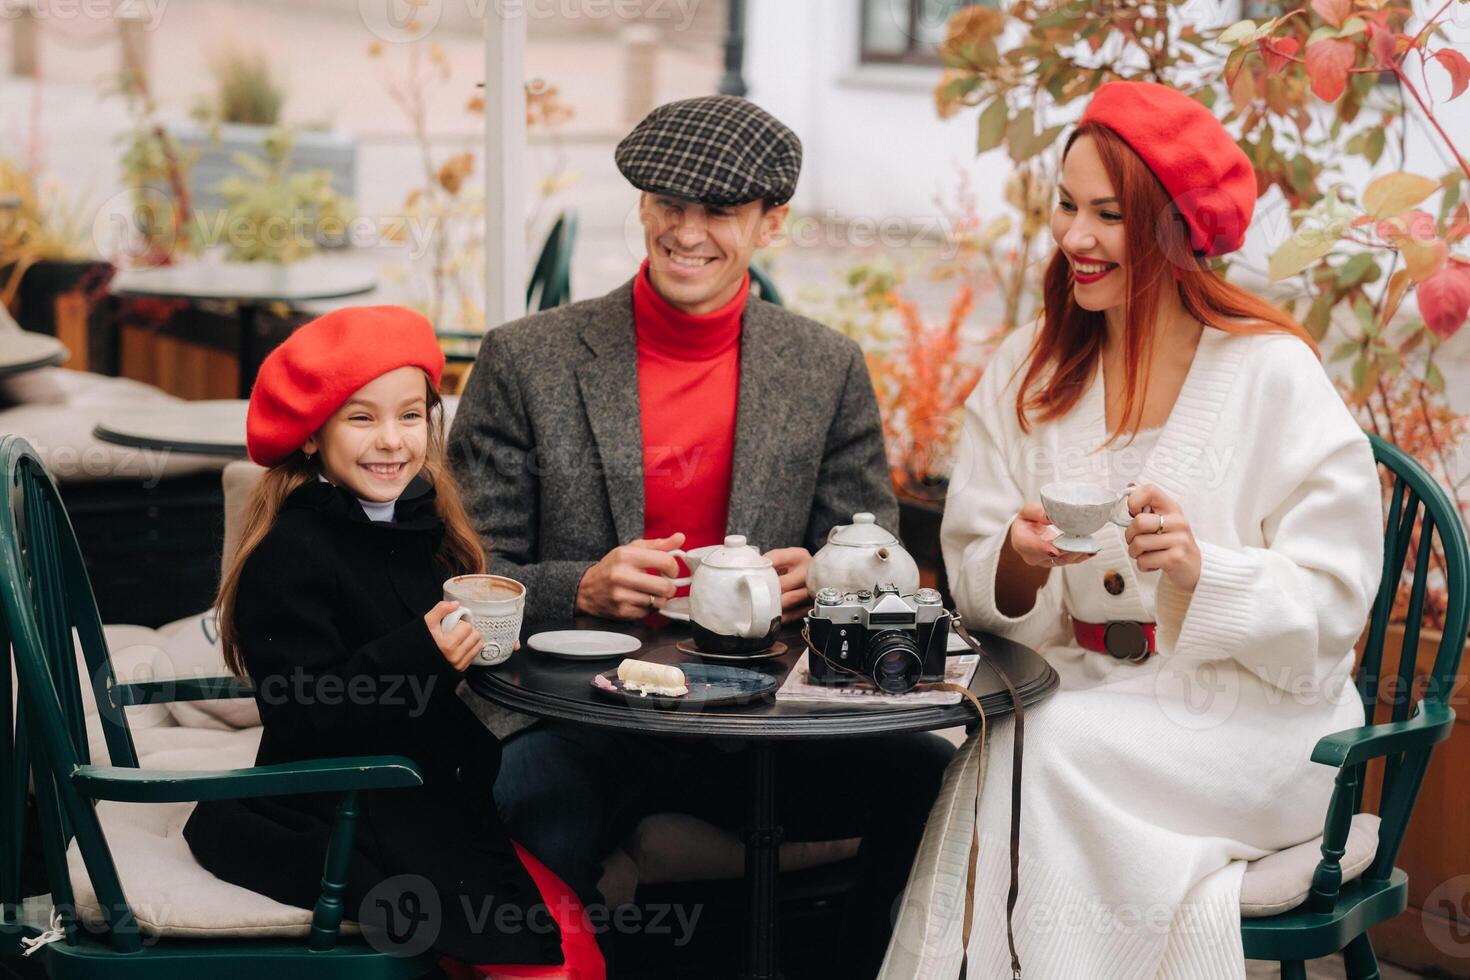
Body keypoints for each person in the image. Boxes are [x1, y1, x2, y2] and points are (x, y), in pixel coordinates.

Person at [883, 81, 1385, 979]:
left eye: (1108, 214)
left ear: (1173, 228)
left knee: (1038, 744)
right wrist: (1017, 562)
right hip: (1083, 699)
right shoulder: (1031, 369)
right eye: (1067, 206)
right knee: (1016, 739)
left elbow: (1337, 600)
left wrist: (1203, 572)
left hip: (1260, 728)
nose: (1074, 236)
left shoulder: (1271, 375)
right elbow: (970, 573)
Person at [448, 95, 954, 977]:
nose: (687, 232)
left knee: (929, 775)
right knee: (513, 810)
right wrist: (584, 588)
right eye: (667, 205)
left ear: (771, 222)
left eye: (718, 211)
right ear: (642, 207)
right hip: (582, 716)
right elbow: (466, 571)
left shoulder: (823, 366)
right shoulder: (527, 357)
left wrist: (824, 583)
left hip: (760, 725)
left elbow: (881, 575)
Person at [181, 306, 605, 979]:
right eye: (361, 417)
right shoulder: (292, 554)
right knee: (539, 959)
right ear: (312, 436)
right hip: (339, 804)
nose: (391, 441)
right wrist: (422, 655)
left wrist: (480, 647)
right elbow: (301, 710)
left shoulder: (419, 524)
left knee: (573, 938)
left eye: (410, 416)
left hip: (425, 792)